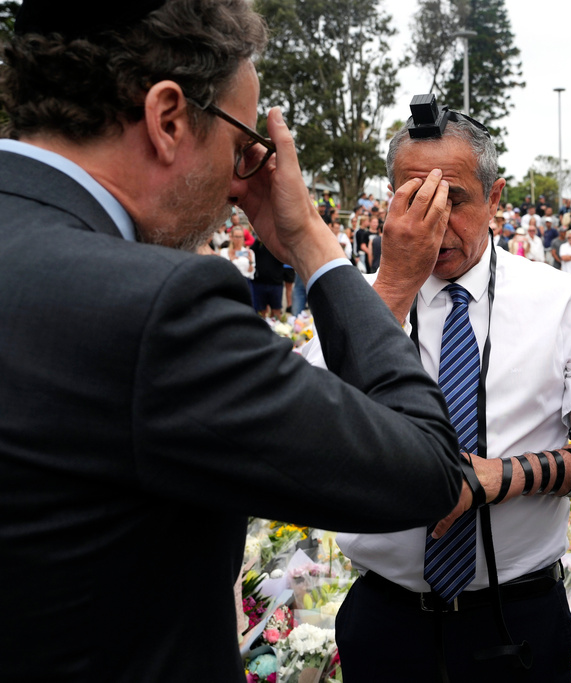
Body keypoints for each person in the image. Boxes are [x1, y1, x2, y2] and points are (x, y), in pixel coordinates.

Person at [0, 2, 470, 681]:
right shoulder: (154, 309)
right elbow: (427, 468)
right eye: (241, 140)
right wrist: (310, 236)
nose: (242, 176)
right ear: (168, 120)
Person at [302, 104, 571, 682]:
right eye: (413, 198)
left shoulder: (560, 303)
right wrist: (389, 289)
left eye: (454, 198)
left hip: (518, 620)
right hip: (385, 619)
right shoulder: (353, 302)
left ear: (495, 198)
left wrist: (501, 478)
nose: (433, 221)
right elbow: (304, 437)